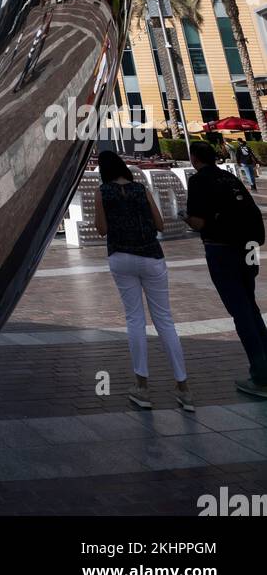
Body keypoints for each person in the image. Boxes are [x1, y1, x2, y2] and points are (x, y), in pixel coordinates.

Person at [94, 150, 193, 411]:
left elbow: (101, 229)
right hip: (151, 255)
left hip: (121, 256)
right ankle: (183, 388)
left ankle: (142, 386)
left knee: (134, 320)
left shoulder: (102, 192)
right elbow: (160, 224)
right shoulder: (141, 189)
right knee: (165, 320)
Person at [185, 141, 267, 399]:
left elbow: (199, 221)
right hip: (249, 249)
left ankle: (261, 375)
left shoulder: (199, 181)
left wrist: (184, 217)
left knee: (240, 312)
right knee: (250, 308)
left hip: (222, 250)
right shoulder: (229, 177)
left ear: (195, 159)